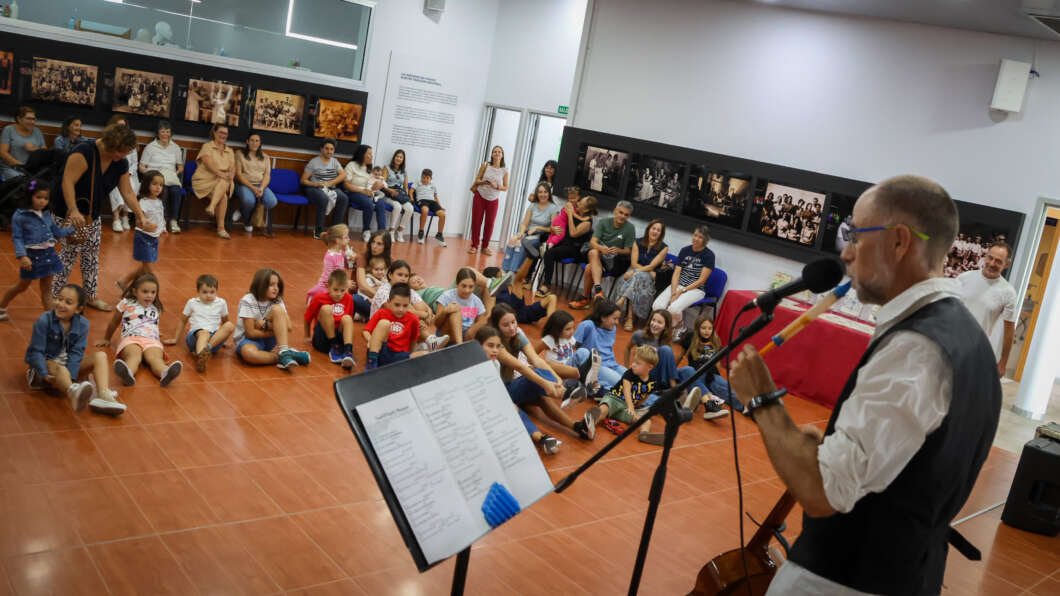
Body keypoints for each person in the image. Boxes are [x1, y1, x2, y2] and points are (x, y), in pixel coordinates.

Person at [727, 175, 1001, 595]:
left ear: (899, 242)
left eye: (856, 235)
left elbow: (823, 492)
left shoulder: (916, 348)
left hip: (844, 578)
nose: (848, 252)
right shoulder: (966, 339)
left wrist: (762, 401)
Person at [51, 122, 157, 312]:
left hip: (92, 213)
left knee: (91, 256)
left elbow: (127, 192)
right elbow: (67, 182)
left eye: (125, 152)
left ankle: (90, 296)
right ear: (110, 144)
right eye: (120, 151)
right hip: (67, 210)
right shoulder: (83, 152)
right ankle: (56, 297)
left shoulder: (120, 162)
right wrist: (73, 209)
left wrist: (140, 216)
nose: (122, 156)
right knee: (69, 253)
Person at [489, 303, 593, 441]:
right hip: (501, 390)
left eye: (513, 322)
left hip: (515, 384)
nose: (512, 327)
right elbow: (521, 367)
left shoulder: (517, 334)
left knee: (542, 397)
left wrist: (557, 380)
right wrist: (547, 384)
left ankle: (576, 426)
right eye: (506, 325)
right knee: (532, 381)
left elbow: (536, 360)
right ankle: (542, 435)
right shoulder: (495, 343)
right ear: (497, 327)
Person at [25, 283, 125, 415]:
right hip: (46, 368)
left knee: (100, 356)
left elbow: (77, 352)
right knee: (59, 368)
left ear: (78, 309)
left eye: (68, 302)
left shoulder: (83, 324)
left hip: (68, 370)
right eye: (59, 299)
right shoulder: (44, 320)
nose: (61, 304)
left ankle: (104, 395)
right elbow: (35, 352)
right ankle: (73, 391)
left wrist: (71, 375)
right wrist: (44, 373)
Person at [475, 325, 563, 454]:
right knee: (511, 408)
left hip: (498, 396)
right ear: (478, 345)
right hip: (480, 406)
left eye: (498, 346)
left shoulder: (495, 363)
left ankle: (542, 438)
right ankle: (539, 437)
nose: (495, 350)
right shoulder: (472, 365)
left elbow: (496, 388)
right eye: (490, 346)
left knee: (534, 378)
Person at [0, 179, 74, 320]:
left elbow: (57, 232)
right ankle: (1, 307)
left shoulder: (46, 214)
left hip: (49, 255)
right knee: (21, 286)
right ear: (29, 196)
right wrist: (22, 256)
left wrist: (73, 228)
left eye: (46, 198)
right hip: (32, 257)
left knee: (47, 289)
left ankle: (51, 320)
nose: (42, 201)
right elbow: (17, 238)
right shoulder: (20, 216)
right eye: (38, 197)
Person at [96, 273, 182, 387]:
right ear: (135, 291)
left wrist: (156, 332)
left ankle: (165, 373)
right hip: (131, 338)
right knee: (134, 356)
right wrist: (106, 338)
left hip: (151, 340)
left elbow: (152, 323)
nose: (149, 295)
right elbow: (113, 323)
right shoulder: (126, 303)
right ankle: (128, 373)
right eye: (145, 291)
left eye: (153, 292)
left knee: (155, 358)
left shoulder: (156, 307)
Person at [581, 345, 672, 445]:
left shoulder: (652, 383)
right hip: (614, 399)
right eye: (634, 362)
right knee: (604, 409)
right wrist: (631, 407)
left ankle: (644, 434)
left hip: (625, 409)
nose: (633, 365)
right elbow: (626, 390)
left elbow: (645, 397)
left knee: (646, 420)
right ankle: (588, 425)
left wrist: (635, 407)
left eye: (638, 363)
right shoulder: (629, 374)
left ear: (649, 367)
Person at [955, 242, 1018, 377]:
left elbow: (1009, 332)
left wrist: (1003, 363)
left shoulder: (1008, 292)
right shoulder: (964, 278)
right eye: (990, 258)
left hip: (975, 353)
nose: (992, 263)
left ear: (1006, 265)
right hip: (950, 343)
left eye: (998, 261)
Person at [233, 268, 312, 369]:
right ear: (261, 285)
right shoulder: (248, 300)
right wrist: (277, 328)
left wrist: (264, 325)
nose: (276, 288)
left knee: (277, 310)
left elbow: (288, 327)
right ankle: (284, 356)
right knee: (249, 354)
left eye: (277, 285)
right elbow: (251, 333)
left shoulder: (277, 301)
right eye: (271, 285)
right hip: (248, 341)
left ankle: (283, 351)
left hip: (268, 340)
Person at [570, 201, 636, 309]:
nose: (623, 216)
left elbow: (628, 251)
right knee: (593, 251)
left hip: (615, 260)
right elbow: (592, 242)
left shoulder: (630, 228)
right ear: (615, 211)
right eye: (621, 212)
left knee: (589, 267)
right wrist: (602, 249)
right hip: (599, 255)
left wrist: (618, 250)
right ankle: (597, 290)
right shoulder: (604, 222)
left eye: (626, 214)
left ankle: (586, 298)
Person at [164, 274, 234, 373]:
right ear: (198, 292)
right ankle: (201, 358)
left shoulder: (221, 303)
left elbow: (225, 321)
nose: (209, 295)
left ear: (216, 291)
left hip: (214, 341)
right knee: (204, 333)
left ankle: (206, 350)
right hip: (195, 337)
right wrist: (175, 338)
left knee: (230, 325)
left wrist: (224, 338)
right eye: (204, 292)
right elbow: (183, 321)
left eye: (212, 292)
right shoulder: (192, 303)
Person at [653, 225, 714, 338]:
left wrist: (682, 291)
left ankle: (680, 326)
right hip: (678, 285)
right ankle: (667, 329)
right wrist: (673, 291)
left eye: (700, 237)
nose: (696, 238)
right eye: (695, 235)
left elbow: (702, 280)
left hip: (696, 289)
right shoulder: (685, 250)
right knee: (657, 306)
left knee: (674, 309)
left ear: (705, 240)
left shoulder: (709, 255)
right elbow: (676, 273)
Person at [673, 313, 737, 420]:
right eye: (703, 328)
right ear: (698, 328)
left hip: (712, 375)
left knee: (729, 390)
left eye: (709, 328)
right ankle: (707, 402)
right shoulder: (691, 337)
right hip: (697, 373)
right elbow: (680, 354)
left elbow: (717, 363)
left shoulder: (715, 341)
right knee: (693, 381)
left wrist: (719, 378)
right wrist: (672, 372)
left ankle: (749, 407)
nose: (707, 331)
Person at [536, 195, 597, 297]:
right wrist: (553, 228)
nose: (577, 203)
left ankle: (546, 285)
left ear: (586, 209)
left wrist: (570, 215)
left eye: (580, 203)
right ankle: (529, 278)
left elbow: (573, 233)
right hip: (564, 242)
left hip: (574, 248)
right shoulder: (576, 212)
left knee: (549, 252)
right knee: (541, 245)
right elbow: (560, 221)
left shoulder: (587, 223)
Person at [534, 310, 599, 404]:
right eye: (567, 329)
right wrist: (540, 367)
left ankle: (588, 388)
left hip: (572, 374)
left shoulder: (571, 339)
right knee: (583, 351)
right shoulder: (549, 340)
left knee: (584, 356)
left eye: (573, 328)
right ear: (557, 329)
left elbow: (573, 356)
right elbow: (532, 354)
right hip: (559, 375)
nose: (572, 331)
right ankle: (587, 383)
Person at [614, 219, 668, 330]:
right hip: (636, 273)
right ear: (648, 229)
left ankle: (623, 302)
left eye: (658, 230)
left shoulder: (664, 248)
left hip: (648, 277)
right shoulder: (637, 242)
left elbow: (651, 266)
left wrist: (635, 272)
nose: (655, 231)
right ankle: (629, 318)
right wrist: (636, 271)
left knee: (637, 277)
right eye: (653, 228)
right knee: (637, 280)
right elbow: (633, 263)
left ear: (661, 234)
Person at [364, 282, 429, 370]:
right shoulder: (381, 312)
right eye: (397, 305)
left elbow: (413, 341)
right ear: (389, 302)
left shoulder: (413, 319)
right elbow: (365, 331)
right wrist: (371, 340)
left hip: (398, 356)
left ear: (409, 304)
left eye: (405, 306)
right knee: (384, 323)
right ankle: (371, 363)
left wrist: (409, 356)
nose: (401, 309)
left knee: (425, 355)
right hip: (379, 351)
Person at [502, 182, 560, 275]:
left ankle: (513, 271)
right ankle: (504, 270)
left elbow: (552, 229)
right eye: (540, 192)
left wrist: (538, 227)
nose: (543, 195)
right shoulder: (532, 205)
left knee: (520, 243)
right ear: (537, 194)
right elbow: (524, 223)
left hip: (540, 236)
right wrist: (521, 233)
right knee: (513, 240)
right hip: (527, 232)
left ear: (549, 194)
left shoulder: (553, 208)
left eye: (545, 192)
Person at [138, 120, 185, 233]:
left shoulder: (176, 147)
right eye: (162, 132)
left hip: (170, 177)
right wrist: (151, 175)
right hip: (155, 177)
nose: (165, 134)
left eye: (167, 132)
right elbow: (141, 166)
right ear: (158, 133)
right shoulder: (150, 147)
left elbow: (180, 166)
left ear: (171, 133)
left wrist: (175, 174)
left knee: (176, 191)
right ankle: (161, 221)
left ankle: (173, 221)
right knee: (162, 190)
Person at [305, 269, 356, 369]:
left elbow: (349, 321)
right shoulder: (318, 298)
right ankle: (334, 346)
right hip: (323, 339)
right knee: (326, 309)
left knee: (347, 318)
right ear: (328, 287)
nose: (339, 294)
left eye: (342, 290)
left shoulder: (349, 298)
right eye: (335, 290)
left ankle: (348, 351)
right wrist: (307, 336)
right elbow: (307, 317)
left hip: (339, 336)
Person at [190, 123, 235, 239]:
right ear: (214, 133)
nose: (223, 135)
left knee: (225, 183)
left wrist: (230, 174)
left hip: (222, 181)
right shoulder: (207, 146)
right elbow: (208, 163)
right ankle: (221, 228)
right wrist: (222, 175)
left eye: (225, 133)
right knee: (223, 196)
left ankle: (211, 207)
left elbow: (233, 167)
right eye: (221, 132)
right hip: (204, 179)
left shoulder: (230, 151)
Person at [233, 132, 276, 236]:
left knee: (272, 201)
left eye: (257, 141)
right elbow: (238, 175)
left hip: (260, 185)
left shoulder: (265, 157)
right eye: (252, 140)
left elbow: (267, 176)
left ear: (260, 143)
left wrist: (261, 188)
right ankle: (247, 222)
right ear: (247, 142)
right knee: (249, 201)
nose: (254, 143)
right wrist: (253, 188)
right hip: (244, 184)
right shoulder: (239, 154)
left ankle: (242, 210)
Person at [468, 145, 509, 255]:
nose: (496, 153)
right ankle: (474, 246)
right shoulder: (485, 165)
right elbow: (477, 179)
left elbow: (506, 187)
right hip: (480, 196)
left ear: (502, 155)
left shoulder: (504, 171)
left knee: (490, 224)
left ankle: (485, 247)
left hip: (493, 199)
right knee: (476, 222)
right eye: (494, 151)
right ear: (491, 154)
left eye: (499, 152)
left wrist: (497, 187)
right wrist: (483, 182)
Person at [342, 144, 387, 242]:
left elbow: (373, 183)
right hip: (354, 192)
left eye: (372, 154)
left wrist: (377, 186)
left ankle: (382, 233)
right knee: (369, 204)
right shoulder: (352, 165)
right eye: (369, 154)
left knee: (381, 204)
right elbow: (346, 185)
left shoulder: (370, 168)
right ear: (362, 154)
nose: (371, 156)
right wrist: (362, 191)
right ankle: (366, 230)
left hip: (369, 193)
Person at [306, 223, 356, 303]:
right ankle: (314, 298)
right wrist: (345, 283)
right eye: (346, 237)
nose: (349, 239)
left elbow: (348, 267)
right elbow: (328, 277)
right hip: (328, 286)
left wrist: (351, 259)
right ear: (337, 240)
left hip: (338, 283)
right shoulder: (330, 256)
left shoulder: (341, 252)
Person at [434, 267, 488, 344]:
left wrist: (472, 330)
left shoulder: (476, 301)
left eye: (471, 287)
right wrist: (445, 311)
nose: (467, 290)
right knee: (455, 311)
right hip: (447, 334)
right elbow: (437, 324)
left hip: (466, 336)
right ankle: (460, 345)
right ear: (457, 284)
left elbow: (482, 321)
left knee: (484, 320)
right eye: (464, 286)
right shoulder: (446, 296)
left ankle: (465, 345)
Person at [105, 116, 139, 234]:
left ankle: (125, 216)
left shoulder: (130, 144)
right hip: (113, 174)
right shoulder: (107, 143)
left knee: (132, 187)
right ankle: (116, 218)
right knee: (115, 187)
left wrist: (129, 173)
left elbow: (135, 163)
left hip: (129, 173)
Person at [0, 106, 45, 182]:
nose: (32, 122)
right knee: (23, 181)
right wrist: (21, 166)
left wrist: (34, 149)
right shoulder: (8, 130)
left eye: (34, 119)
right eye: (29, 119)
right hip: (11, 168)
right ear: (19, 119)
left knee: (41, 183)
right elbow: (2, 152)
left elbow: (45, 152)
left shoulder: (37, 131)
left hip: (31, 170)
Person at [354, 230, 393, 318]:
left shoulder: (391, 261)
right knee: (354, 299)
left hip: (385, 300)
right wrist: (383, 300)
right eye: (373, 242)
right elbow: (363, 286)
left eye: (379, 244)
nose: (374, 246)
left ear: (386, 246)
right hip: (365, 297)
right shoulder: (363, 257)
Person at [382, 149, 414, 242]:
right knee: (397, 206)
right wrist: (390, 190)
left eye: (401, 157)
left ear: (403, 160)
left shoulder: (404, 171)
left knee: (410, 208)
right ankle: (391, 231)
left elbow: (405, 187)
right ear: (394, 157)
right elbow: (382, 183)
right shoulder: (386, 168)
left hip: (399, 194)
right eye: (397, 156)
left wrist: (405, 196)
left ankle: (400, 231)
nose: (398, 158)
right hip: (388, 193)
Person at [411, 168, 447, 246]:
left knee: (443, 214)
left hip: (432, 202)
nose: (425, 179)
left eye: (427, 178)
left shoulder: (433, 185)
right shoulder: (417, 182)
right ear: (421, 177)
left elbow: (435, 197)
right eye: (423, 177)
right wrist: (411, 199)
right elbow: (411, 191)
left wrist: (440, 206)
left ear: (430, 178)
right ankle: (421, 232)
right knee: (425, 210)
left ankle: (439, 235)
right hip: (422, 200)